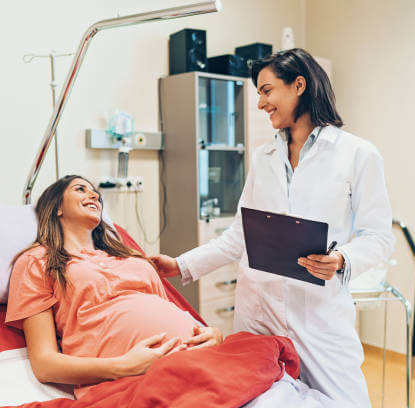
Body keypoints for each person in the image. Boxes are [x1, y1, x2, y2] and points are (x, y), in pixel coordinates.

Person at [152, 48, 395, 407]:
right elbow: (239, 236)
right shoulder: (263, 158)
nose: (261, 103)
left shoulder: (358, 155)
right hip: (259, 317)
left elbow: (379, 237)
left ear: (299, 85)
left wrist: (342, 259)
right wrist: (181, 265)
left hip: (319, 321)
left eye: (267, 91)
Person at [5, 175, 222, 398]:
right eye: (80, 189)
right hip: (133, 380)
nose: (94, 196)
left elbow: (165, 311)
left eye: (96, 194)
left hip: (200, 358)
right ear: (57, 207)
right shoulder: (38, 260)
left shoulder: (131, 258)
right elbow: (44, 364)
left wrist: (212, 334)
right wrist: (124, 366)